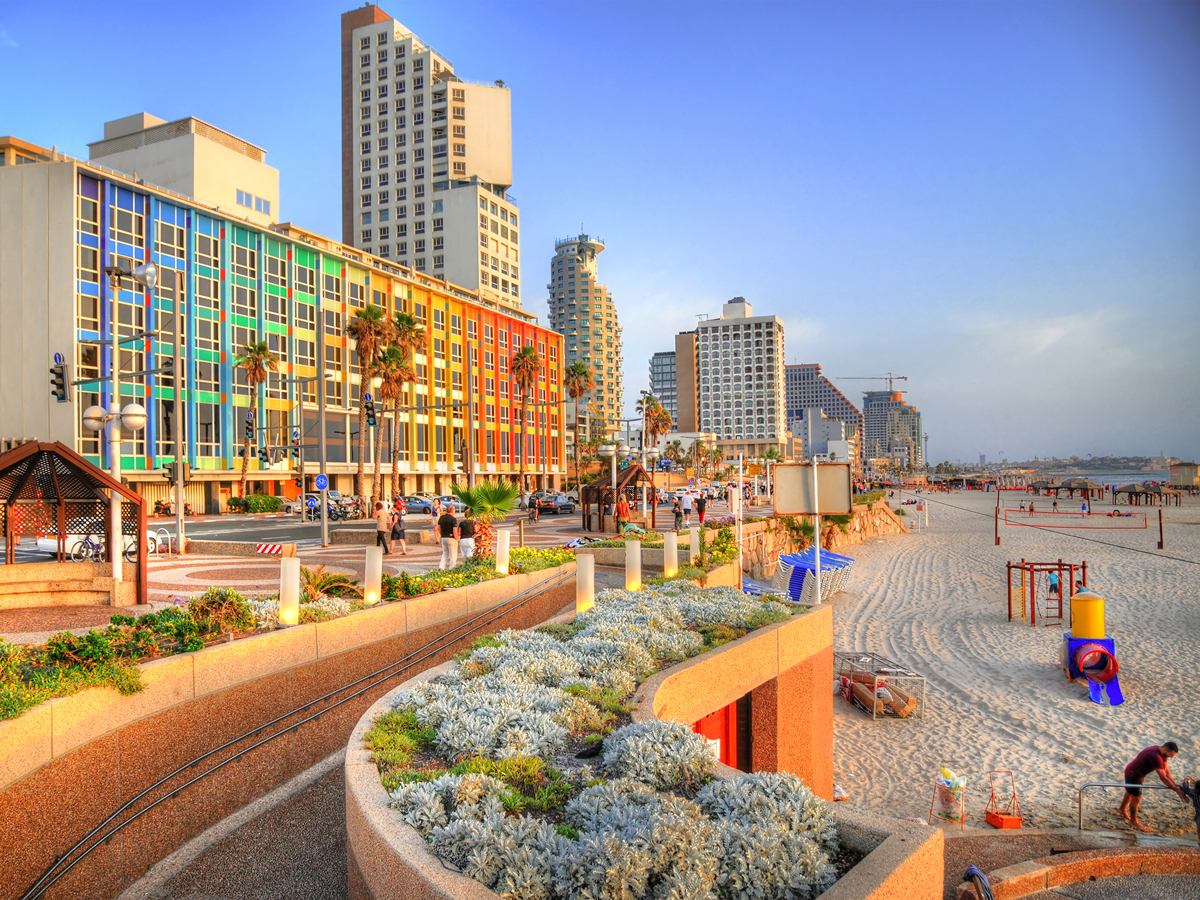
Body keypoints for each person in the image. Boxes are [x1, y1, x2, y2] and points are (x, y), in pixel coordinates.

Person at [1118, 742, 1186, 833]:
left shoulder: (1162, 752)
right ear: (1165, 750)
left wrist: (1174, 784)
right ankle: (1133, 821)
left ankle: (1122, 809)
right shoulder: (1155, 756)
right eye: (1171, 755)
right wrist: (1177, 790)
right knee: (1137, 798)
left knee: (1130, 792)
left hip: (1137, 773)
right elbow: (1162, 778)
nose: (1171, 757)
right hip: (1133, 775)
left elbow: (1166, 771)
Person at [1180, 775, 1200, 848]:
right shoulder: (1195, 793)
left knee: (1199, 829)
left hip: (1199, 815)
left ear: (1196, 789)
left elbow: (1186, 789)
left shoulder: (1194, 794)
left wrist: (1185, 782)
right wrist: (1195, 780)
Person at [437, 505, 459, 570]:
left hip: (444, 537)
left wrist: (442, 534)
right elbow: (454, 531)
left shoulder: (441, 518)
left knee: (445, 553)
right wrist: (456, 539)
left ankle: (441, 567)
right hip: (451, 538)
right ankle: (452, 568)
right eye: (454, 510)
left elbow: (438, 528)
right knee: (453, 555)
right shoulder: (453, 519)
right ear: (452, 511)